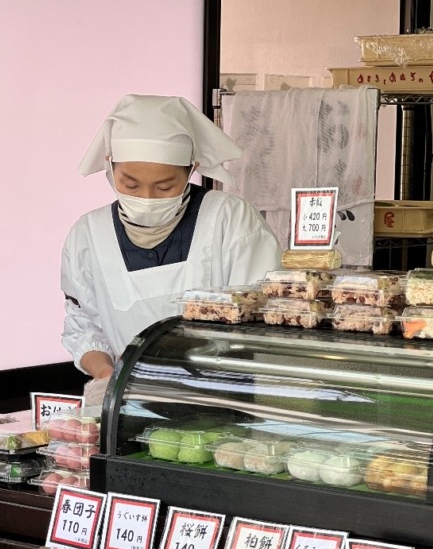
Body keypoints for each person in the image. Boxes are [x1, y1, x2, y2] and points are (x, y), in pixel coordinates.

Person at [61, 93, 281, 381]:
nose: (147, 198)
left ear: (192, 168)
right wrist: (107, 375)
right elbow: (84, 325)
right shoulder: (88, 235)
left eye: (164, 187)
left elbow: (264, 312)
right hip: (132, 399)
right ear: (109, 165)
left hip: (221, 399)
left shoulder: (230, 220)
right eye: (130, 184)